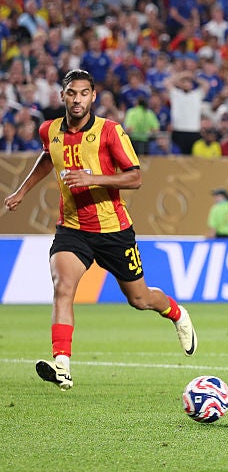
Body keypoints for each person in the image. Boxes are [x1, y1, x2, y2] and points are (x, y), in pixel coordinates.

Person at [3, 70, 197, 390]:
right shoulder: (49, 129)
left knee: (140, 298)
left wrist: (93, 178)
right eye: (70, 93)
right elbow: (47, 157)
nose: (76, 99)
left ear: (93, 97)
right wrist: (22, 191)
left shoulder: (110, 131)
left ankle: (176, 313)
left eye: (83, 93)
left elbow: (134, 177)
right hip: (72, 228)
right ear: (62, 96)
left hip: (113, 231)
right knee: (63, 286)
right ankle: (62, 364)